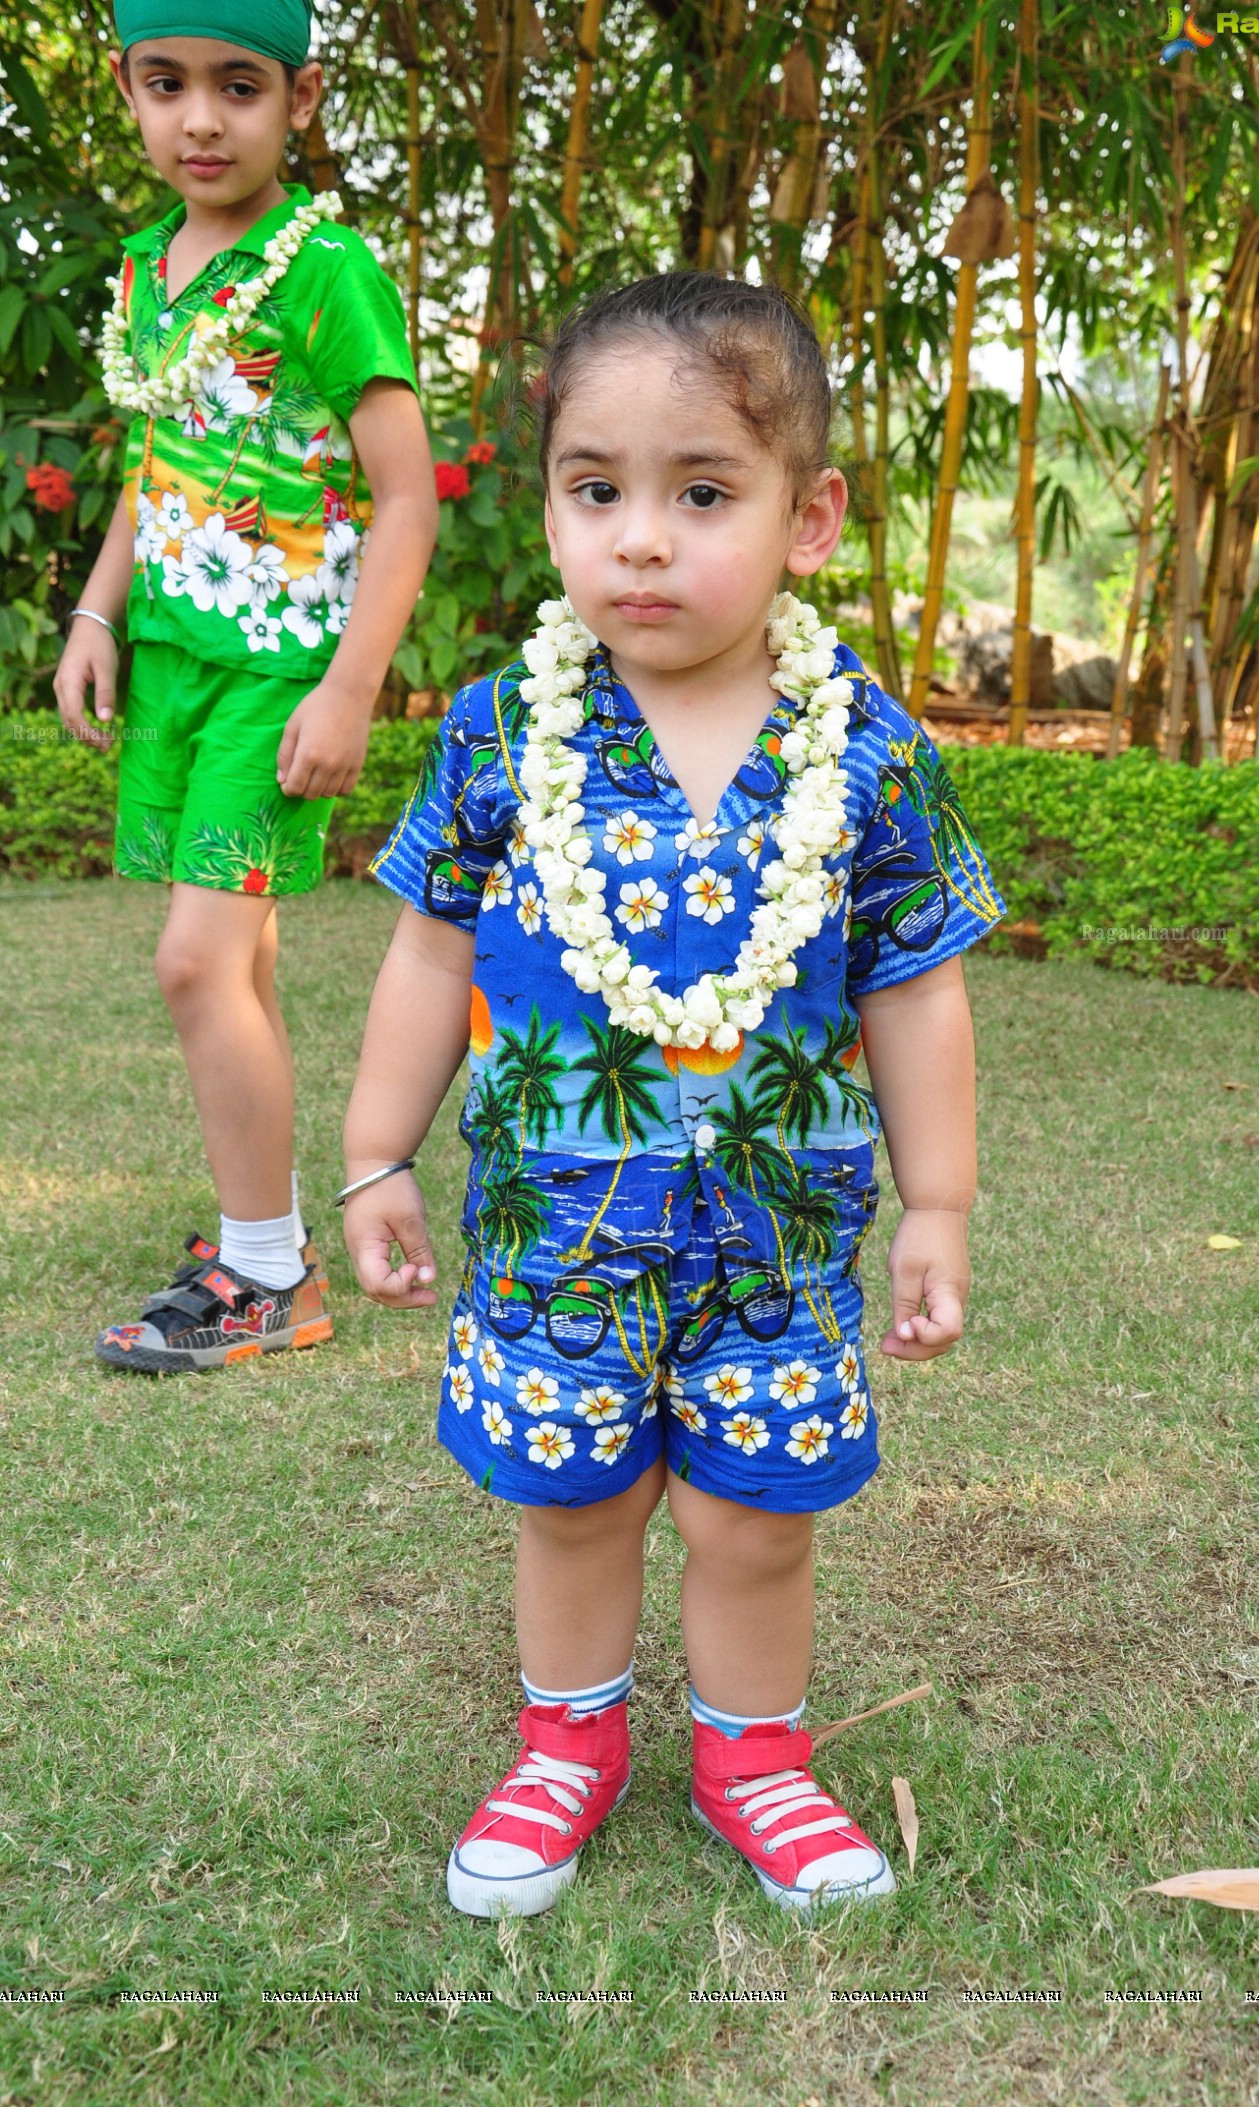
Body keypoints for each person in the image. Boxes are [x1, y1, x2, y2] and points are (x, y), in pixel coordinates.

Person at [342, 273, 1007, 1917]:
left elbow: (917, 983)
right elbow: (432, 959)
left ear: (811, 515)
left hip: (780, 1243)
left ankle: (753, 1754)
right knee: (570, 1501)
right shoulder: (508, 735)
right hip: (554, 1246)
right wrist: (374, 1155)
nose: (641, 537)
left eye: (701, 493)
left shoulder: (868, 752)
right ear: (557, 501)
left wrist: (939, 1202)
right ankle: (568, 1743)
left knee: (756, 1519)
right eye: (598, 490)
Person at [54, 0, 437, 1372]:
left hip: (279, 674)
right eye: (168, 85)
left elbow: (407, 501)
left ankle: (267, 1272)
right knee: (246, 957)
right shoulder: (150, 265)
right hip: (178, 659)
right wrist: (98, 611)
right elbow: (153, 467)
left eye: (238, 86)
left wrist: (349, 688)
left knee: (194, 961)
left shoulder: (324, 269)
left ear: (303, 97)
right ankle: (256, 1231)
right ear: (130, 89)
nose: (201, 118)